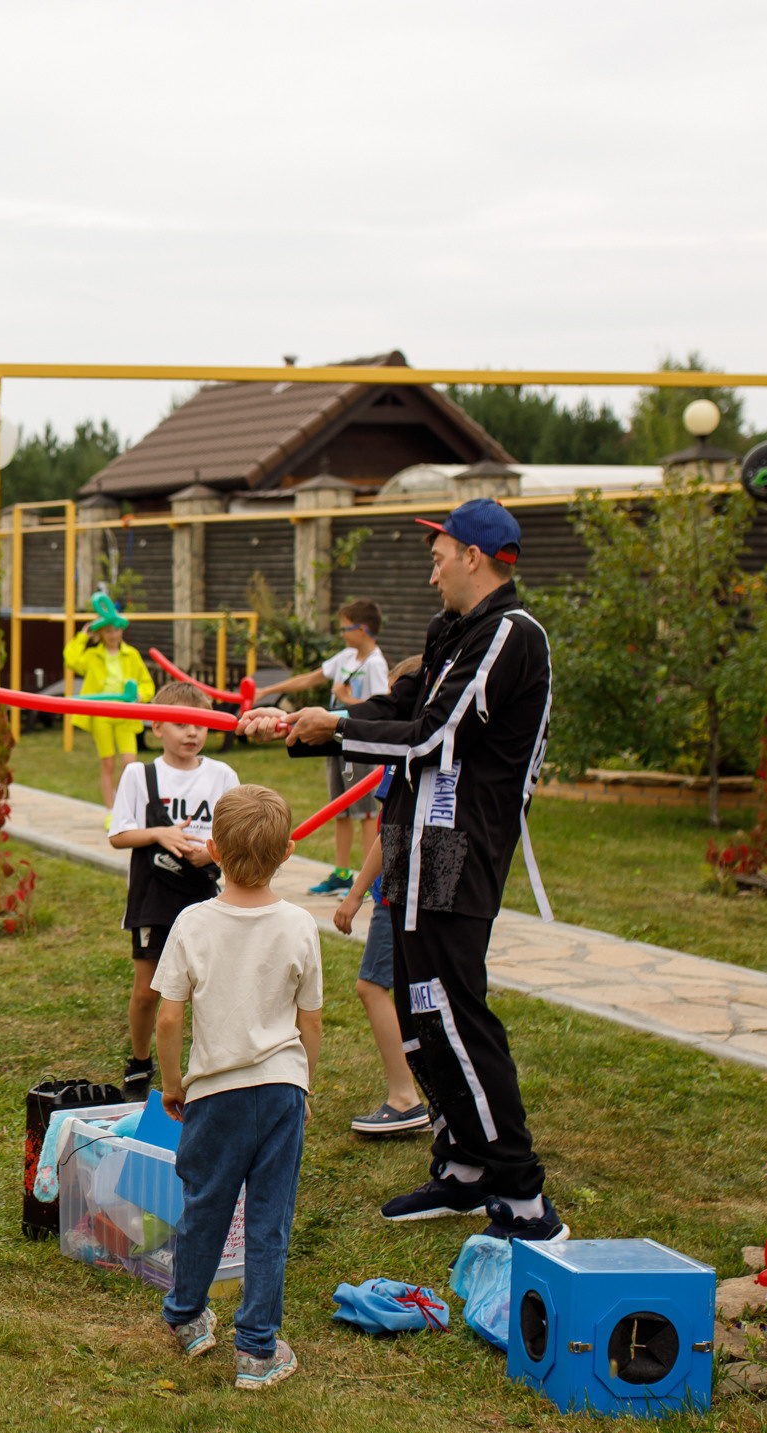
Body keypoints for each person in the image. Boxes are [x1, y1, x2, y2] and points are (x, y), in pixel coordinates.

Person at [243, 499, 564, 1244]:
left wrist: (340, 727)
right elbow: (400, 704)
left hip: (459, 848)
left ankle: (520, 1194)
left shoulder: (511, 635)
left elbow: (434, 735)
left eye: (439, 554)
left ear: (476, 557)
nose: (432, 570)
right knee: (420, 1012)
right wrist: (304, 726)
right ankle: (463, 1167)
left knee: (453, 1009)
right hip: (415, 842)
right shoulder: (451, 632)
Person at [150, 784, 321, 1389]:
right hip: (280, 1090)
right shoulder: (300, 925)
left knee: (206, 1207)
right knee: (269, 1219)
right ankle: (257, 1351)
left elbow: (169, 1017)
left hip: (213, 1093)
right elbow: (309, 1021)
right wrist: (305, 1087)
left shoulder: (192, 923)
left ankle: (188, 1318)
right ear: (290, 851)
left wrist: (172, 1083)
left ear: (214, 849)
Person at [106, 680, 238, 1102]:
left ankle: (209, 1062)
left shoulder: (222, 775)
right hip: (153, 895)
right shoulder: (139, 775)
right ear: (155, 726)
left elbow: (234, 834)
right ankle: (141, 1061)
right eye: (181, 723)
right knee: (148, 988)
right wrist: (160, 834)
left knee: (207, 985)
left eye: (200, 724)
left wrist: (213, 856)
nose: (192, 733)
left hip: (204, 895)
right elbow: (119, 835)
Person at [254, 599, 389, 895]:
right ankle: (341, 874)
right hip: (334, 741)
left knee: (364, 811)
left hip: (359, 743)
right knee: (339, 808)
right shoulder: (346, 657)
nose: (342, 634)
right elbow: (310, 678)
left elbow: (381, 709)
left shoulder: (376, 664)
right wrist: (268, 690)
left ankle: (368, 881)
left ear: (363, 629)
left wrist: (346, 698)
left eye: (346, 629)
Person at [332, 774, 428, 1137]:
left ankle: (405, 1098)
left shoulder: (405, 753)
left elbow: (392, 829)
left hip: (398, 891)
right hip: (426, 889)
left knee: (371, 986)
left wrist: (354, 894)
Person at [62, 594, 155, 808]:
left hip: (126, 715)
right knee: (108, 764)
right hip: (102, 714)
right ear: (102, 633)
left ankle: (120, 801)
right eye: (109, 631)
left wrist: (141, 695)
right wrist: (83, 637)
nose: (114, 635)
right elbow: (71, 659)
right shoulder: (93, 656)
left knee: (130, 764)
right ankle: (110, 809)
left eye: (117, 629)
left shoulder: (131, 655)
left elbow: (146, 683)